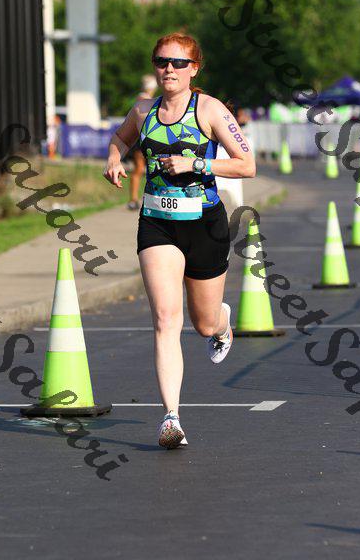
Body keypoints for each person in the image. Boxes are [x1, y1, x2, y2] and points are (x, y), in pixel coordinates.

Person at [103, 32, 256, 449]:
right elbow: (119, 138)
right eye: (161, 61)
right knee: (166, 320)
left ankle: (222, 323)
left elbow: (247, 165)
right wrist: (114, 158)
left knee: (203, 323)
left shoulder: (210, 110)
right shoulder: (142, 111)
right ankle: (171, 417)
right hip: (157, 224)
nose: (168, 69)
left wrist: (197, 163)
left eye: (178, 62)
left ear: (194, 69)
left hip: (204, 225)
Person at [127, 75, 158, 210]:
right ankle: (133, 199)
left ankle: (139, 198)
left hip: (145, 138)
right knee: (139, 169)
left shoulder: (146, 98)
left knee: (145, 169)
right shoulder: (144, 99)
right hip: (142, 139)